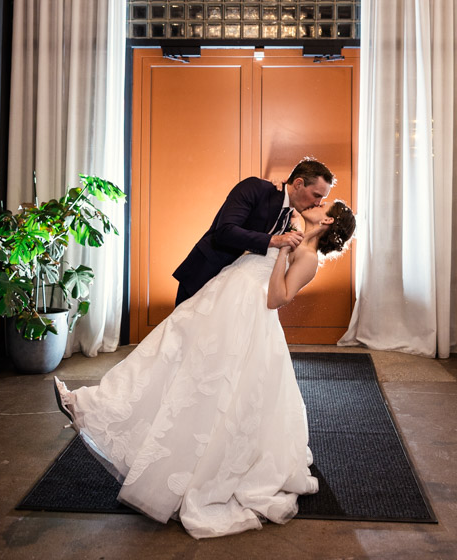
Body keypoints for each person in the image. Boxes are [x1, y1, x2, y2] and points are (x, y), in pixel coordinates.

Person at [54, 195, 356, 540]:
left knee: (202, 385)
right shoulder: (289, 229)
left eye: (323, 204)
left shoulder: (307, 256)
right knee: (164, 355)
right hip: (221, 300)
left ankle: (182, 465)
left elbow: (276, 299)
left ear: (328, 221)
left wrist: (284, 252)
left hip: (243, 318)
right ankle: (93, 404)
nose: (316, 203)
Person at [172, 157, 336, 305]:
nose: (317, 202)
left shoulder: (289, 216)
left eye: (322, 199)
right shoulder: (256, 188)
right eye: (316, 195)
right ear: (299, 183)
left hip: (232, 293)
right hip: (204, 274)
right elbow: (225, 231)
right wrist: (274, 240)